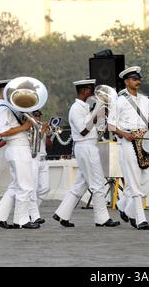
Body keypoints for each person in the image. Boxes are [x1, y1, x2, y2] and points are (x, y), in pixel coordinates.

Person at [54, 79, 120, 228]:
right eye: (92, 90)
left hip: (91, 145)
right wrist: (96, 111)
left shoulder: (88, 107)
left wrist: (102, 113)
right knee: (97, 184)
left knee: (80, 184)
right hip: (85, 146)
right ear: (84, 91)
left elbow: (100, 128)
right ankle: (102, 219)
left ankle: (62, 214)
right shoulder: (76, 108)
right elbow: (83, 130)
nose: (95, 94)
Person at [108, 66, 149, 230]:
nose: (138, 81)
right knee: (134, 181)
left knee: (148, 179)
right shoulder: (119, 101)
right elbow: (110, 126)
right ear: (126, 81)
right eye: (134, 79)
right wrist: (124, 134)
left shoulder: (145, 100)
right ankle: (140, 219)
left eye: (138, 79)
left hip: (145, 141)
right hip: (128, 142)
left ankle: (124, 207)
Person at [0, 79, 40, 229]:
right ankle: (22, 220)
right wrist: (25, 126)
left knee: (16, 185)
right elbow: (3, 132)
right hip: (17, 148)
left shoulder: (9, 106)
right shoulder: (4, 108)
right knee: (25, 186)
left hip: (18, 147)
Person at [28, 110, 51, 224]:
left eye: (39, 116)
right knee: (33, 188)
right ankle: (34, 215)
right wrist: (42, 130)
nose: (38, 118)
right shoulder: (29, 128)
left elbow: (48, 144)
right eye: (35, 116)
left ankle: (30, 212)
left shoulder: (41, 127)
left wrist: (49, 133)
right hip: (33, 159)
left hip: (43, 160)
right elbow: (33, 142)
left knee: (45, 188)